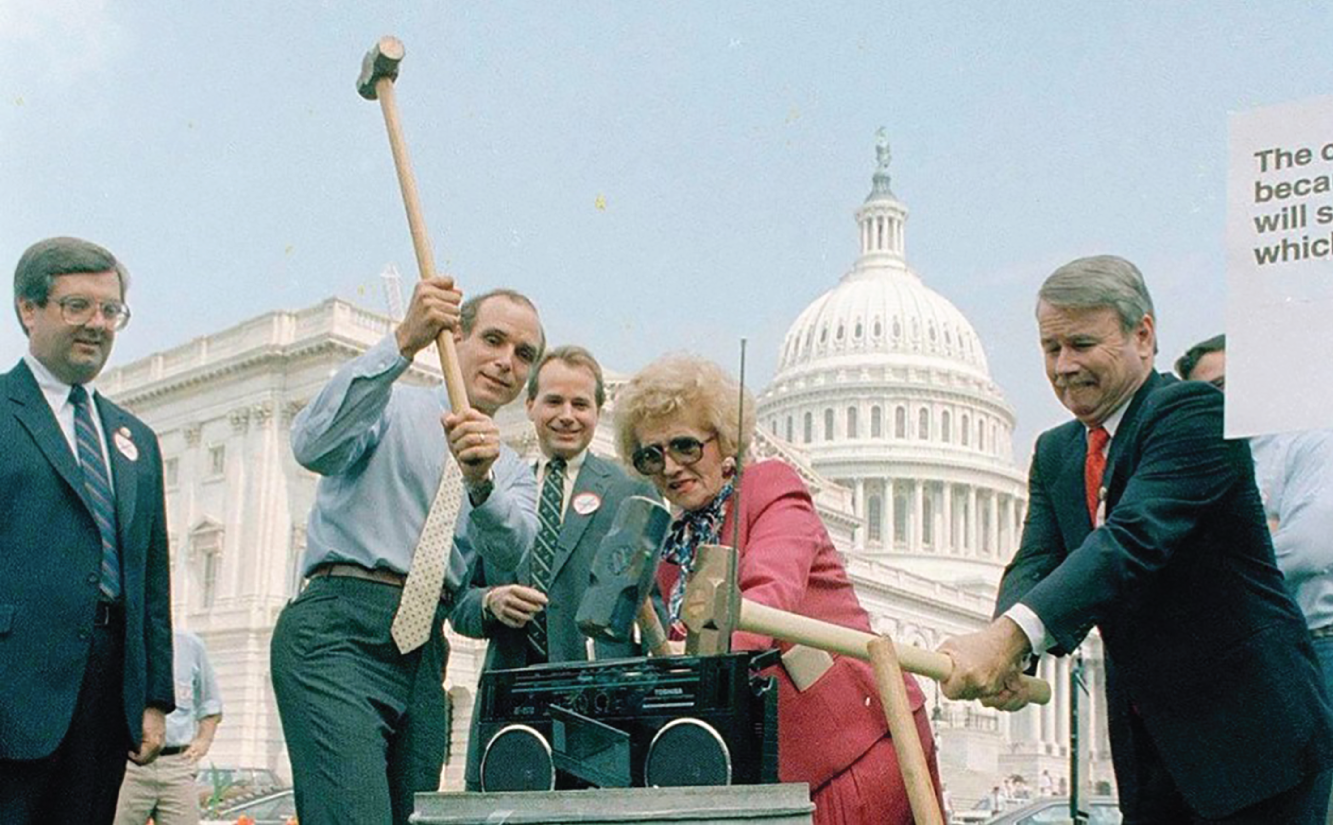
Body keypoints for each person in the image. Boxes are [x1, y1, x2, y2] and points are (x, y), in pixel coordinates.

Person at [938, 255, 1333, 822]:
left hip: (1256, 739)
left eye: (1081, 344)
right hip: (1150, 745)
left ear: (1142, 335)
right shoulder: (1058, 451)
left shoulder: (1196, 414)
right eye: (1051, 349)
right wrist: (1013, 658)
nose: (1064, 366)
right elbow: (1038, 560)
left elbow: (1130, 541)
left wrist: (1004, 639)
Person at [613, 353, 939, 825]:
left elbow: (769, 590)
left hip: (855, 743)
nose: (670, 466)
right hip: (778, 765)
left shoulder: (769, 486)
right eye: (650, 455)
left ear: (723, 440)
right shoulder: (676, 546)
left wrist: (701, 660)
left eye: (685, 446)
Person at [271, 283, 543, 824]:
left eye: (524, 354)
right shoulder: (388, 405)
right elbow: (311, 446)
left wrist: (481, 483)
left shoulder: (510, 468)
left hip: (423, 653)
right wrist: (401, 343)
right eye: (494, 340)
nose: (506, 362)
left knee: (411, 818)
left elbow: (512, 549)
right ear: (456, 335)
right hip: (338, 631)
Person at [0, 237, 174, 824]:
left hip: (105, 697)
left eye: (110, 311)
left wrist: (154, 698)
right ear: (29, 309)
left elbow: (152, 578)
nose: (97, 324)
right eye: (77, 306)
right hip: (10, 682)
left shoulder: (135, 442)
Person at [452, 345, 658, 790]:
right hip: (511, 706)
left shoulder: (631, 493)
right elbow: (460, 604)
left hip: (598, 711)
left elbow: (650, 610)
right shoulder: (493, 487)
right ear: (529, 406)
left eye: (580, 404)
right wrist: (490, 602)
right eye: (554, 401)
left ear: (598, 411)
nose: (567, 415)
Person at [1178, 333, 1333, 823]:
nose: (1221, 401)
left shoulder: (1306, 442)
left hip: (1316, 647)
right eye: (1207, 391)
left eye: (1227, 384)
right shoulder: (1194, 465)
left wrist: (1220, 559)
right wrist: (1262, 530)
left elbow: (1311, 545)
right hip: (1238, 660)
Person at [114, 630, 223, 825]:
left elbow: (211, 703)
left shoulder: (190, 645)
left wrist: (204, 740)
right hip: (129, 764)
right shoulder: (122, 640)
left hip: (177, 765)